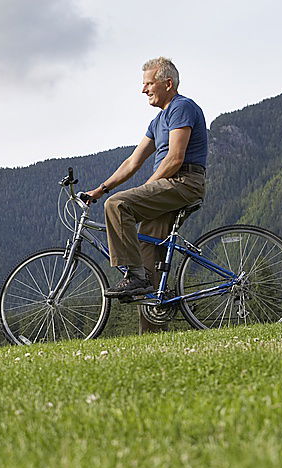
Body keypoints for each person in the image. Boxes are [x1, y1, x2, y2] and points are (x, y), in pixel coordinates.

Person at [85, 57, 207, 332]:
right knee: (147, 257)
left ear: (168, 83)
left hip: (184, 181)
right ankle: (151, 337)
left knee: (117, 205)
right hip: (169, 186)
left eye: (148, 83)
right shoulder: (158, 121)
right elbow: (133, 162)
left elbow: (175, 158)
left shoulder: (182, 107)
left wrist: (142, 190)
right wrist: (100, 189)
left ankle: (132, 274)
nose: (144, 90)